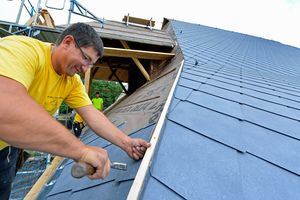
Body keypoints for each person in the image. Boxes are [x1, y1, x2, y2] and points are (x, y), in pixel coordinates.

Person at [0, 23, 150, 200]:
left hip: (5, 149)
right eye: (86, 59)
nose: (86, 68)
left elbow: (93, 116)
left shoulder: (71, 82)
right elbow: (5, 108)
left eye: (91, 65)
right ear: (68, 42)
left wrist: (126, 143)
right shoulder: (22, 51)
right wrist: (82, 151)